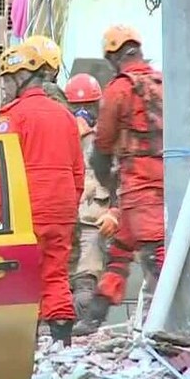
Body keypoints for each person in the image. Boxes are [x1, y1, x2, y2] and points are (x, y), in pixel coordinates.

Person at [0, 40, 84, 345]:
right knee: (56, 272)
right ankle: (61, 341)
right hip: (62, 207)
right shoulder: (66, 116)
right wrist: (69, 205)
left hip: (29, 208)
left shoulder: (13, 116)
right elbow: (78, 170)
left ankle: (21, 345)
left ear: (22, 76)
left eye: (8, 79)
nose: (5, 87)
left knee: (20, 275)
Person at [76, 25, 165, 336]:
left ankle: (174, 322)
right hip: (164, 181)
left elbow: (102, 145)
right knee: (120, 253)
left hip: (139, 184)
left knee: (157, 257)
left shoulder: (119, 89)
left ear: (113, 57)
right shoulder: (163, 83)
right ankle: (93, 319)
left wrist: (108, 183)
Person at [62, 73, 115, 335]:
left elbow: (119, 178)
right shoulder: (59, 136)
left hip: (95, 220)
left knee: (86, 283)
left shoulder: (106, 140)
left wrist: (114, 213)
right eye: (75, 107)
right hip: (64, 218)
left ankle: (80, 337)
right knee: (60, 281)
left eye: (89, 106)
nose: (82, 113)